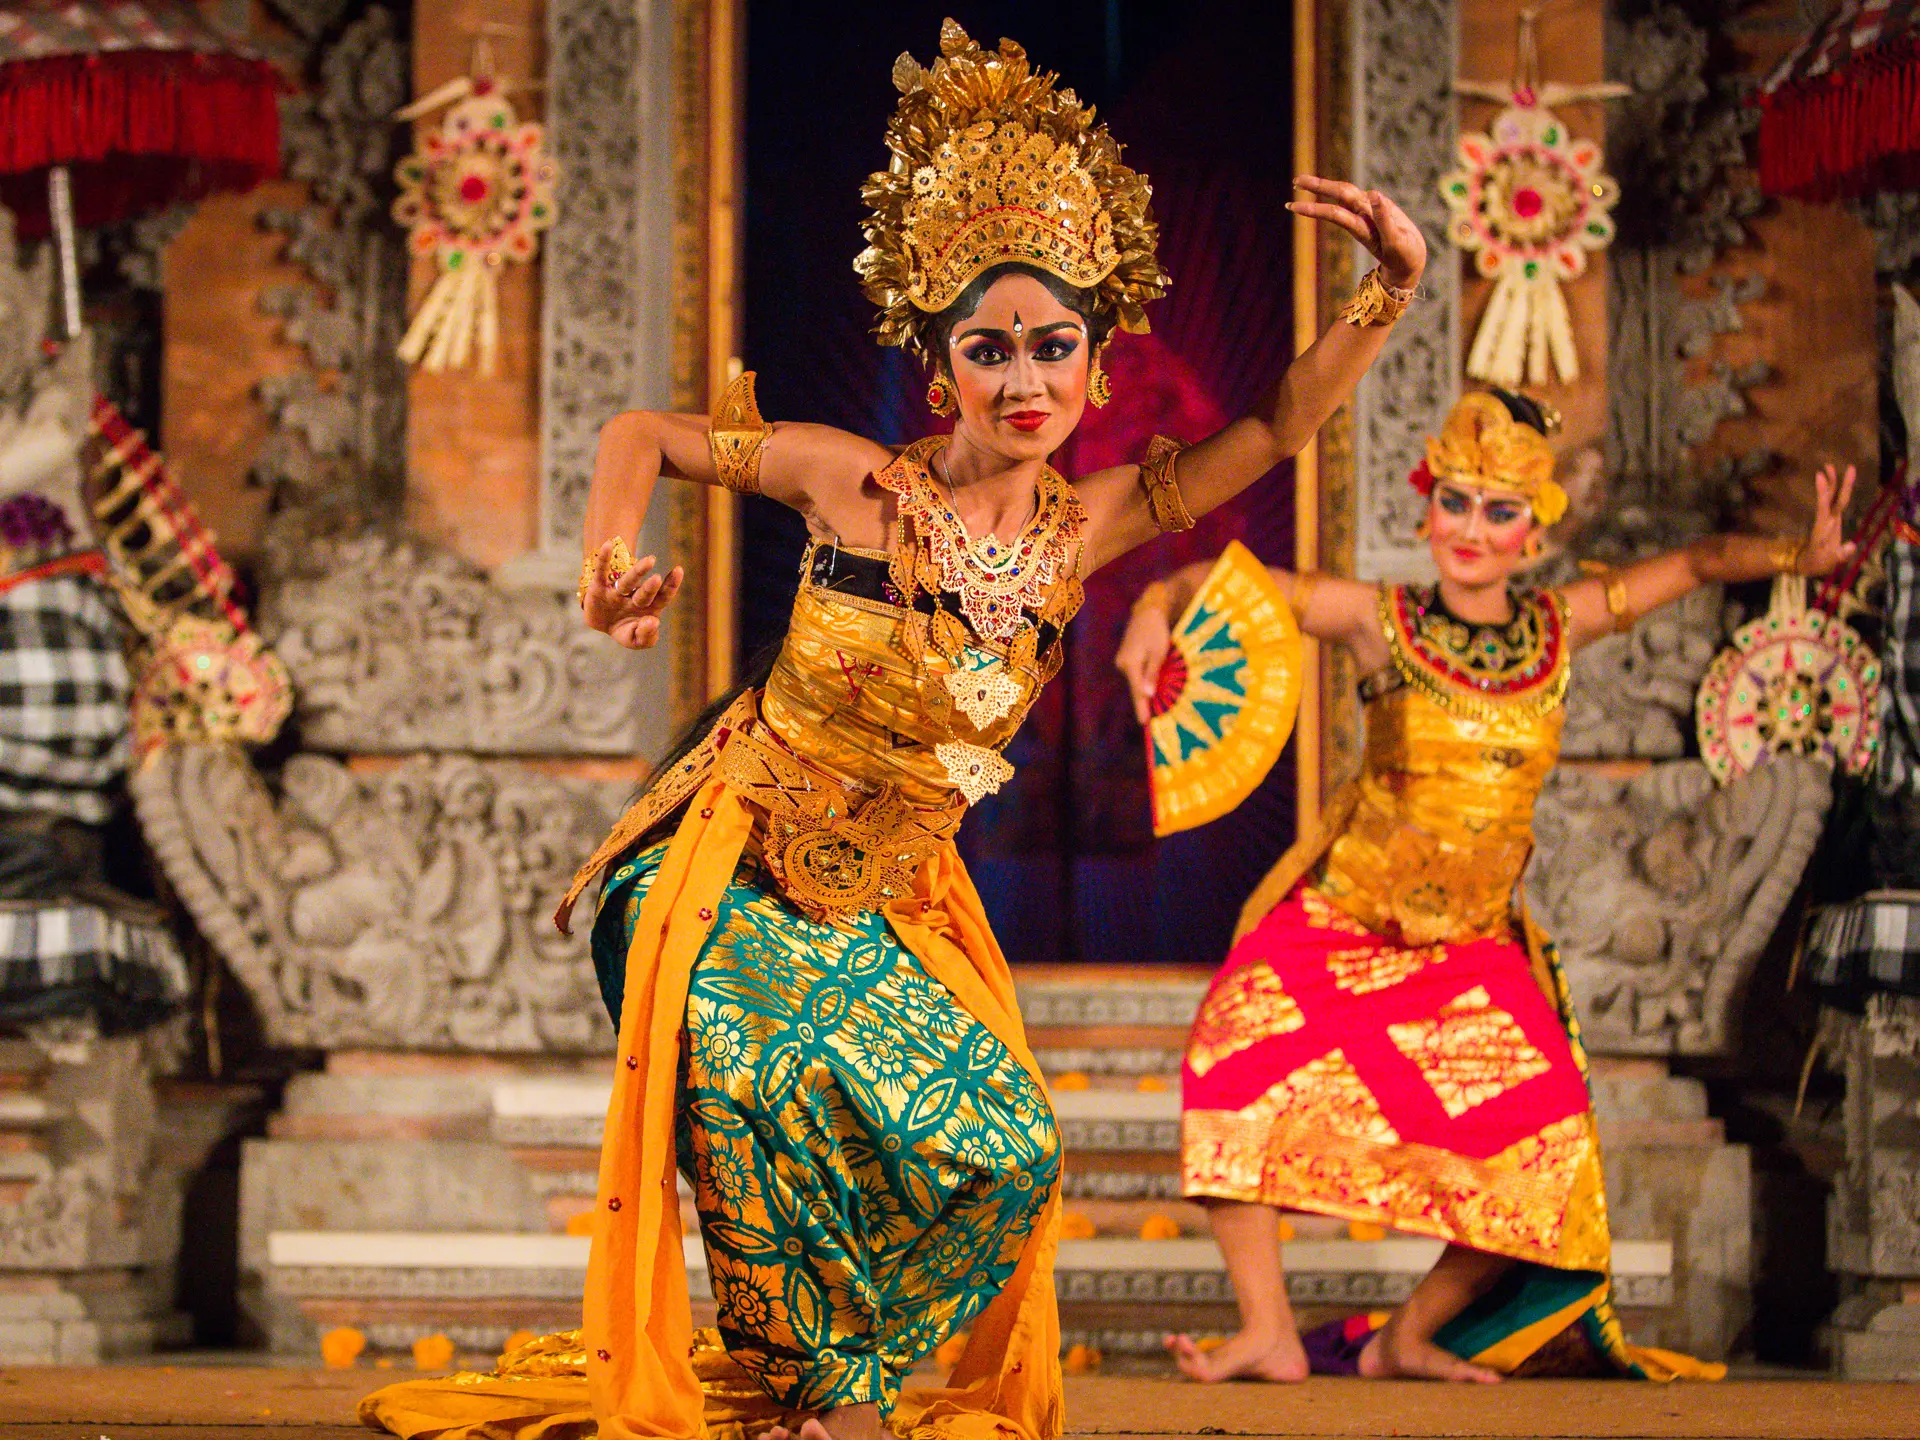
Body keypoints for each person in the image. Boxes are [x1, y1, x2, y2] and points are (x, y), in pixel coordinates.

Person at [363, 20, 1423, 1440]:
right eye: (990, 350)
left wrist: (1386, 295)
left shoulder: (1091, 522)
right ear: (943, 364)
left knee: (1009, 1153)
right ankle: (829, 1400)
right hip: (718, 865)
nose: (1025, 381)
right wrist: (606, 563)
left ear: (1098, 360)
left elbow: (1275, 433)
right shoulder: (853, 484)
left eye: (1054, 348)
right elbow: (639, 435)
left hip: (882, 901)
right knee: (751, 1078)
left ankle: (800, 1375)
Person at [1113, 391, 1855, 1386]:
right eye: (1455, 502)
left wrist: (1793, 561)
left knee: (1548, 1149)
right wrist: (1149, 616)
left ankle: (1408, 1335)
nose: (1472, 528)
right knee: (1227, 1058)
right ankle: (1268, 1329)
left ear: (1533, 530)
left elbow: (1696, 562)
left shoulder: (1561, 628)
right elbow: (1217, 574)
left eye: (1499, 510)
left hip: (1471, 947)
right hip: (1346, 920)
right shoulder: (1380, 622)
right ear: (1426, 511)